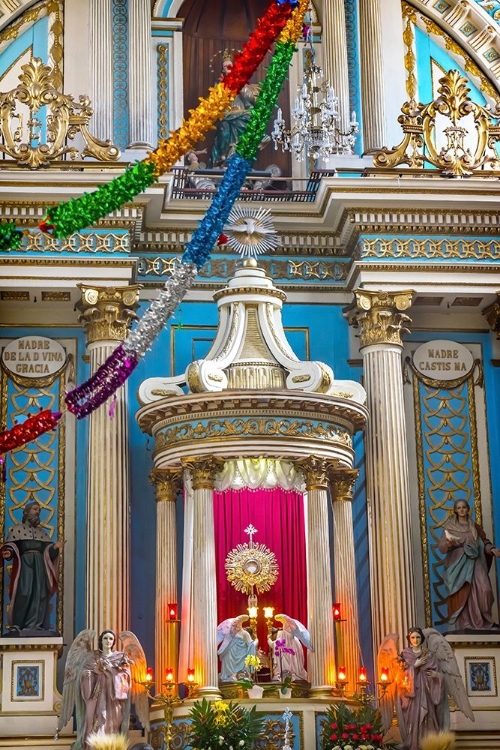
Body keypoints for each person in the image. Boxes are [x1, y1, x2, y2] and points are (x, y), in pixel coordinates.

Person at [1, 500, 64, 635]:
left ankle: (36, 625)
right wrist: (8, 551)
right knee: (24, 592)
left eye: (39, 510)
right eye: (35, 509)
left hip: (40, 565)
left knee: (40, 593)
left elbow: (48, 551)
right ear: (26, 512)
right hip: (25, 564)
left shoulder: (42, 532)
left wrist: (54, 547)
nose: (37, 512)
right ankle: (17, 625)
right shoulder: (18, 529)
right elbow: (11, 546)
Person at [438, 499, 500, 630]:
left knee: (485, 590)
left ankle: (485, 621)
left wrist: (492, 549)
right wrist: (449, 543)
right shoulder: (449, 528)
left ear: (468, 509)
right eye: (459, 508)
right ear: (455, 510)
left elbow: (484, 542)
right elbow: (442, 546)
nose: (461, 510)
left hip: (476, 561)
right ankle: (465, 623)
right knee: (463, 591)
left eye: (464, 507)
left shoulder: (475, 527)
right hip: (459, 565)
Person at [78, 630, 132, 749]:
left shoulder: (119, 657)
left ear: (113, 642)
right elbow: (85, 676)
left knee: (112, 722)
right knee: (99, 718)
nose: (108, 641)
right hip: (98, 694)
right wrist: (87, 676)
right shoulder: (93, 658)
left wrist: (111, 671)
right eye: (106, 638)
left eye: (111, 639)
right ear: (101, 640)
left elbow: (126, 679)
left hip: (113, 697)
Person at [211, 52, 260, 168]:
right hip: (226, 114)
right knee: (224, 130)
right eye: (225, 66)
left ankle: (237, 156)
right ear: (223, 69)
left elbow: (250, 100)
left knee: (249, 120)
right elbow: (215, 100)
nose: (228, 68)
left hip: (240, 111)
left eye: (230, 65)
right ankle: (223, 158)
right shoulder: (219, 83)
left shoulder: (241, 82)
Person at [399, 627, 444, 750]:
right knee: (413, 719)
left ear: (422, 638)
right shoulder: (405, 654)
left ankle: (428, 744)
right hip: (412, 694)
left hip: (426, 690)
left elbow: (438, 673)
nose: (415, 640)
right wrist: (414, 666)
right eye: (412, 637)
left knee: (428, 715)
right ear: (409, 639)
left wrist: (436, 676)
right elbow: (400, 677)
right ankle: (414, 744)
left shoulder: (429, 654)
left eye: (418, 637)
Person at [217, 614, 258, 681]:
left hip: (241, 655)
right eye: (235, 625)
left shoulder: (245, 633)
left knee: (241, 669)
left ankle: (240, 675)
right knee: (227, 659)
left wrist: (255, 642)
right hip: (230, 652)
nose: (236, 626)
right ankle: (229, 676)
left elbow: (250, 644)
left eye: (238, 624)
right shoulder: (232, 633)